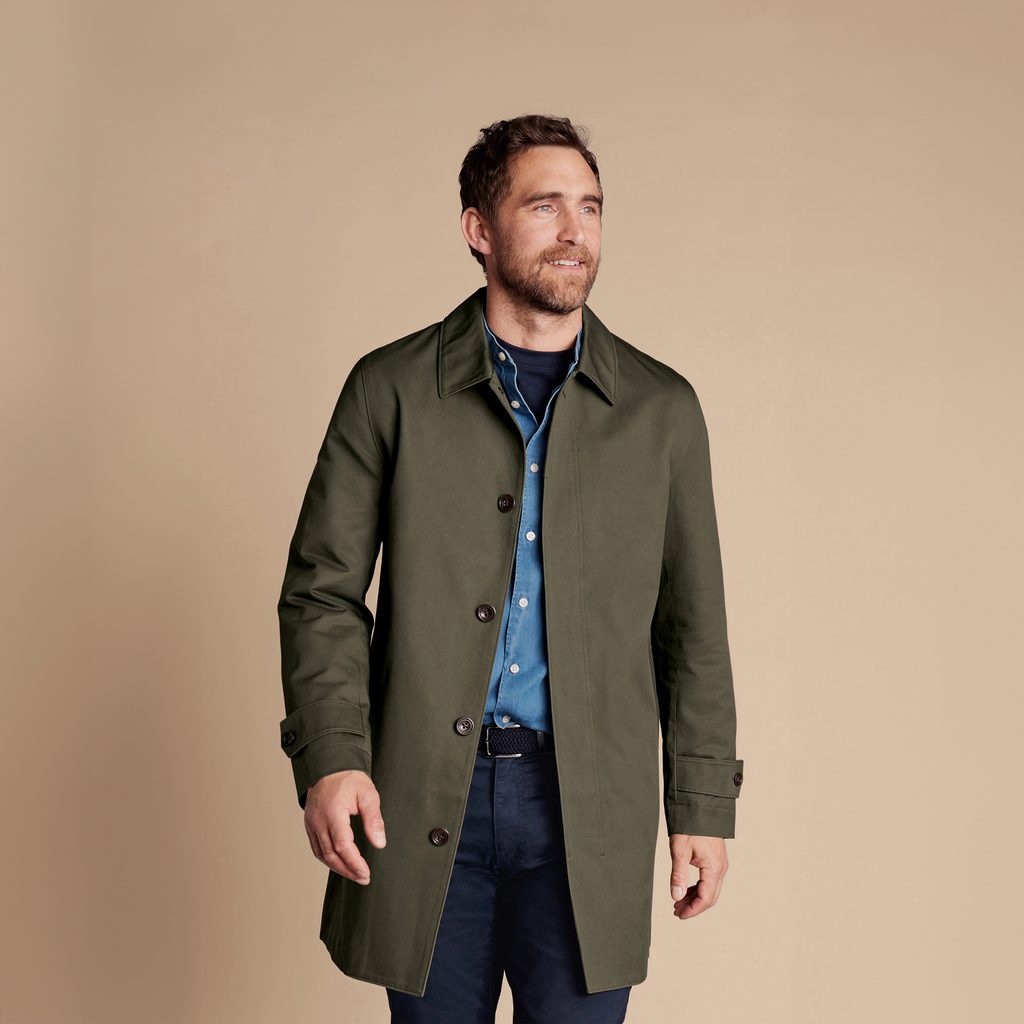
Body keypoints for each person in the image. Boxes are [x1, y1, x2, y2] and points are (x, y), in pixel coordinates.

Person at [277, 114, 745, 1023]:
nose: (575, 231)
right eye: (544, 206)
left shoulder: (662, 411)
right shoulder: (390, 388)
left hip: (589, 808)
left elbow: (693, 628)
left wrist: (701, 804)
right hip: (423, 794)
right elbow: (321, 593)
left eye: (590, 207)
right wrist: (333, 757)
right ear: (479, 229)